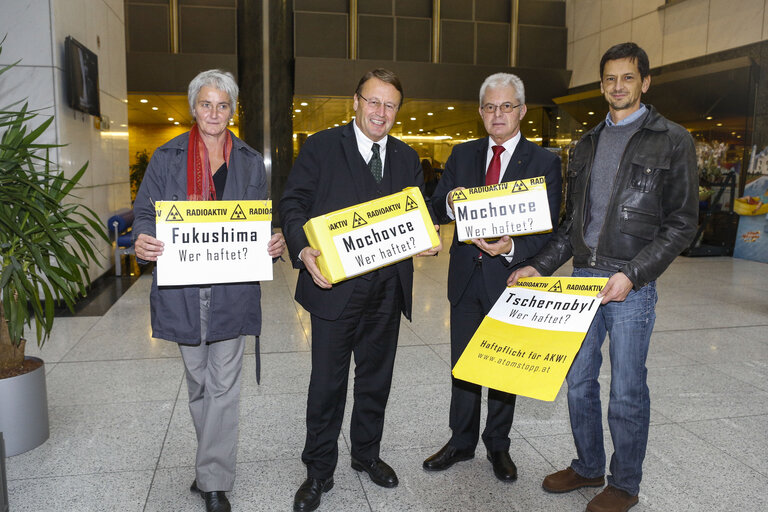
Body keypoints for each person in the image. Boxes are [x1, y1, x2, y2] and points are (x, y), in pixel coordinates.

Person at [508, 43, 698, 512]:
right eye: (610, 79)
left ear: (645, 82)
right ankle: (589, 465)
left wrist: (633, 275)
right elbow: (573, 224)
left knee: (628, 390)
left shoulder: (672, 139)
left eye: (628, 78)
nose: (618, 87)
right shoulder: (588, 143)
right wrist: (539, 266)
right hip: (581, 282)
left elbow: (682, 224)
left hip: (631, 287)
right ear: (602, 85)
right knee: (578, 383)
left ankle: (625, 484)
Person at [278, 68, 440, 512]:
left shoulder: (408, 158)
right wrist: (302, 248)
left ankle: (366, 454)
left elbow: (417, 212)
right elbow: (292, 203)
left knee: (375, 381)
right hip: (333, 289)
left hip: (388, 290)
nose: (380, 112)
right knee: (327, 384)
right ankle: (317, 470)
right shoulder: (322, 147)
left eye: (390, 105)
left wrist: (427, 235)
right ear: (355, 101)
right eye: (373, 101)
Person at [132, 69, 285, 512]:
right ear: (194, 107)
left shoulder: (251, 161)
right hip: (182, 290)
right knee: (198, 384)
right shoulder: (166, 158)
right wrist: (144, 238)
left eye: (222, 105)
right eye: (206, 104)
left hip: (231, 292)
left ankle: (214, 481)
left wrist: (273, 244)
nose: (214, 112)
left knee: (222, 386)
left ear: (232, 110)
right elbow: (145, 214)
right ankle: (209, 466)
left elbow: (259, 224)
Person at [424, 73, 562, 481]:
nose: (497, 114)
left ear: (521, 111)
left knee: (503, 368)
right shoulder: (462, 155)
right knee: (464, 367)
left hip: (509, 277)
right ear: (480, 111)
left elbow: (548, 226)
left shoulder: (544, 162)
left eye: (506, 106)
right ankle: (460, 441)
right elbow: (436, 206)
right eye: (489, 106)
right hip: (465, 277)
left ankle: (498, 446)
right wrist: (449, 201)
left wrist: (512, 248)